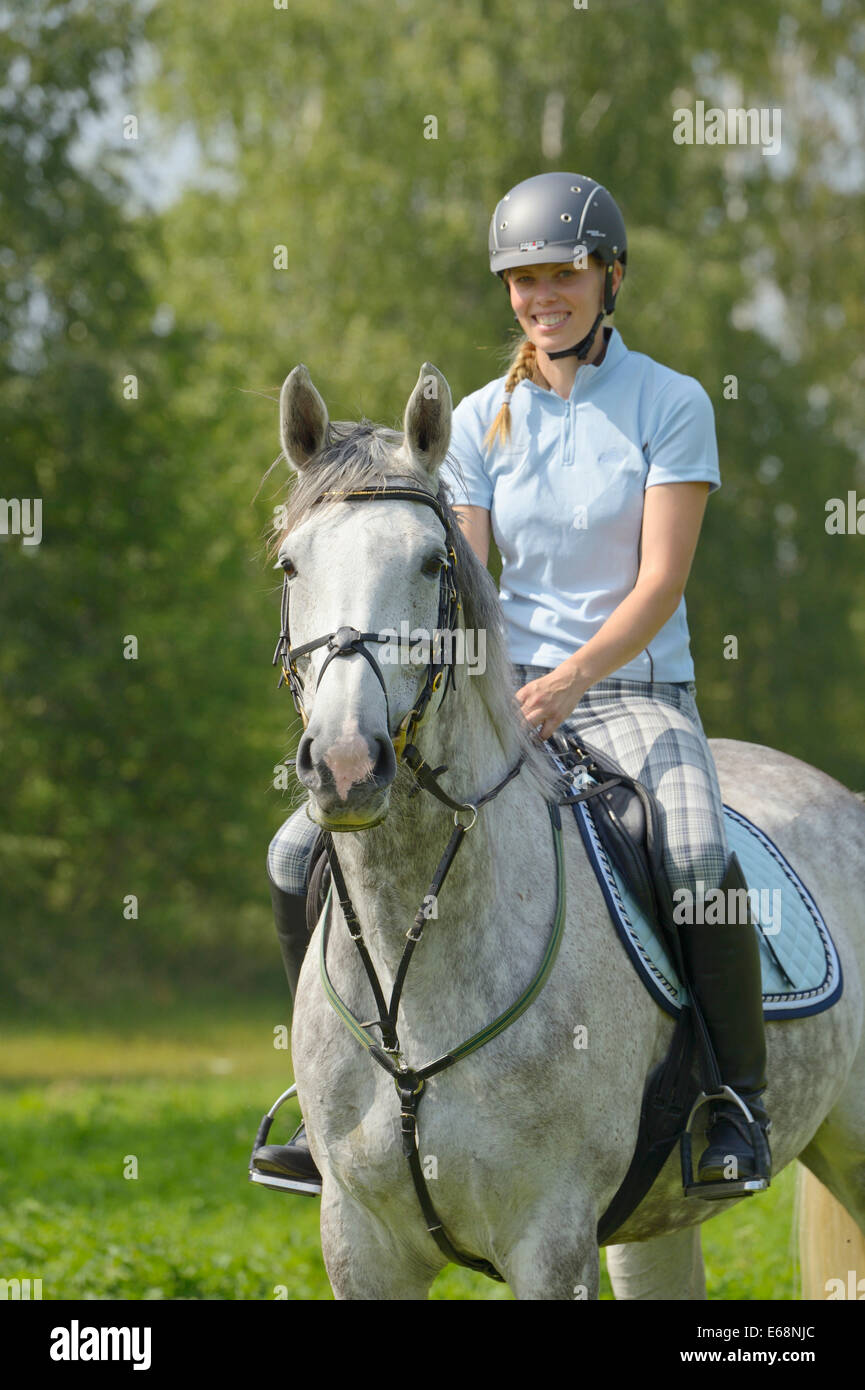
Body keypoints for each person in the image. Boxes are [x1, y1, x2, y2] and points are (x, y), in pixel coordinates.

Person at [251, 171, 771, 1198]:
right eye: (523, 280)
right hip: (499, 697)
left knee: (699, 857)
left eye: (562, 274)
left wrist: (572, 679)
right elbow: (471, 585)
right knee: (293, 848)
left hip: (631, 692)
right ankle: (322, 1096)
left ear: (608, 277)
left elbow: (661, 581)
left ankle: (732, 1101)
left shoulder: (670, 404)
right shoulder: (479, 421)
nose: (542, 296)